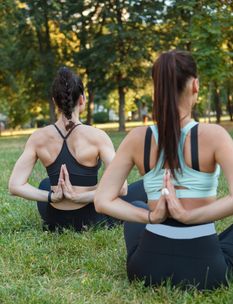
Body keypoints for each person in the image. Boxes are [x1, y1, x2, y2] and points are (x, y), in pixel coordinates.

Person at [94, 50, 233, 290]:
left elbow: (102, 200)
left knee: (136, 209)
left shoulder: (137, 138)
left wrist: (151, 217)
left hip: (145, 269)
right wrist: (189, 217)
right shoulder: (214, 135)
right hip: (206, 272)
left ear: (156, 89)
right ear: (195, 86)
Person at [9, 67, 146, 232]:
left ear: (55, 101)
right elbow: (122, 188)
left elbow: (15, 186)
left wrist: (52, 197)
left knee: (46, 184)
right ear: (82, 99)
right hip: (92, 219)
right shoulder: (97, 136)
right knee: (147, 183)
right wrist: (79, 198)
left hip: (55, 222)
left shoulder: (38, 138)